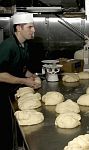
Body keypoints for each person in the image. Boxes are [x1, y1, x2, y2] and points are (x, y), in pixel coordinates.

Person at [0, 12, 41, 149]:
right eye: (30, 27)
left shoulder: (24, 45)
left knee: (15, 129)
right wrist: (24, 81)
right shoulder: (8, 46)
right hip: (2, 95)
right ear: (18, 28)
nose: (33, 30)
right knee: (6, 132)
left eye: (33, 27)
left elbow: (21, 68)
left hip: (14, 93)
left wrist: (32, 76)